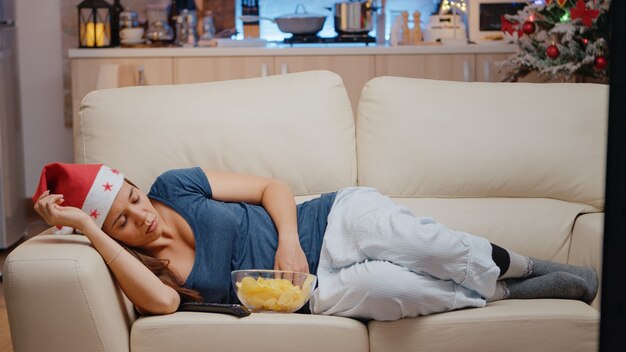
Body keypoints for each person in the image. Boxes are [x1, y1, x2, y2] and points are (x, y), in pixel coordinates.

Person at [33, 162, 598, 320]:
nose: (140, 215)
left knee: (429, 247)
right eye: (122, 221)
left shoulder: (173, 187)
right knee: (388, 289)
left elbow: (272, 186)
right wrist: (84, 227)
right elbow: (162, 306)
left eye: (131, 197)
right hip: (309, 294)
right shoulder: (148, 275)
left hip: (326, 222)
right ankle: (505, 294)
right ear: (110, 236)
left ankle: (522, 265)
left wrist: (287, 241)